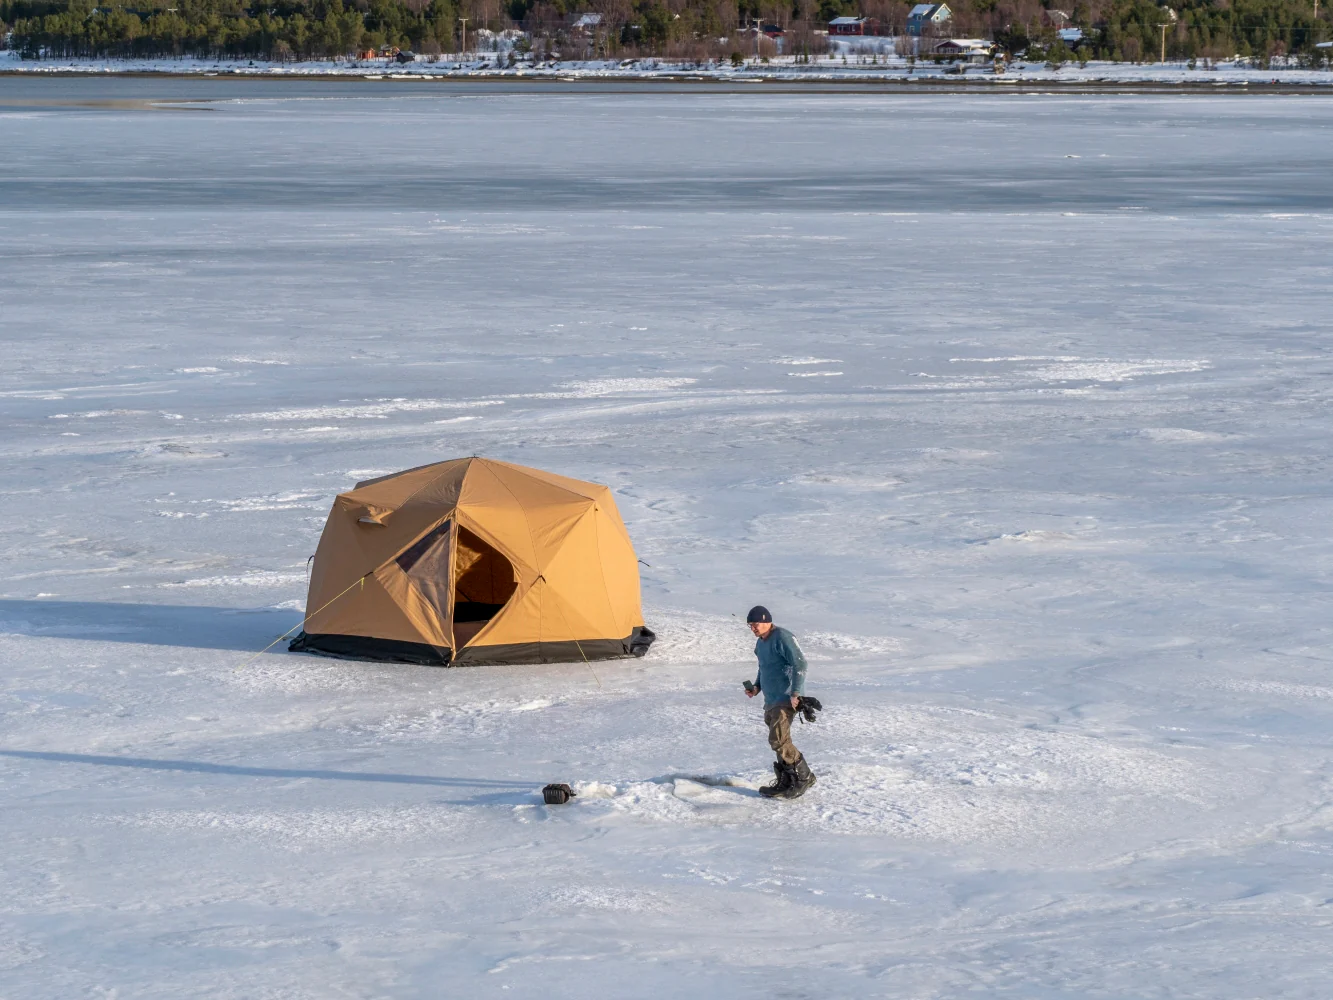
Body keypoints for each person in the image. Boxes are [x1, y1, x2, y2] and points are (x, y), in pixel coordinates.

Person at [744, 605, 817, 799]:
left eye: (756, 624)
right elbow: (764, 668)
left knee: (779, 740)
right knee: (778, 740)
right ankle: (786, 780)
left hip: (785, 698)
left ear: (767, 621)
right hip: (770, 699)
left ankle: (804, 777)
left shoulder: (783, 637)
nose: (753, 628)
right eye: (750, 625)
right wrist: (756, 687)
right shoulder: (760, 644)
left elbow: (800, 663)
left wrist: (796, 693)